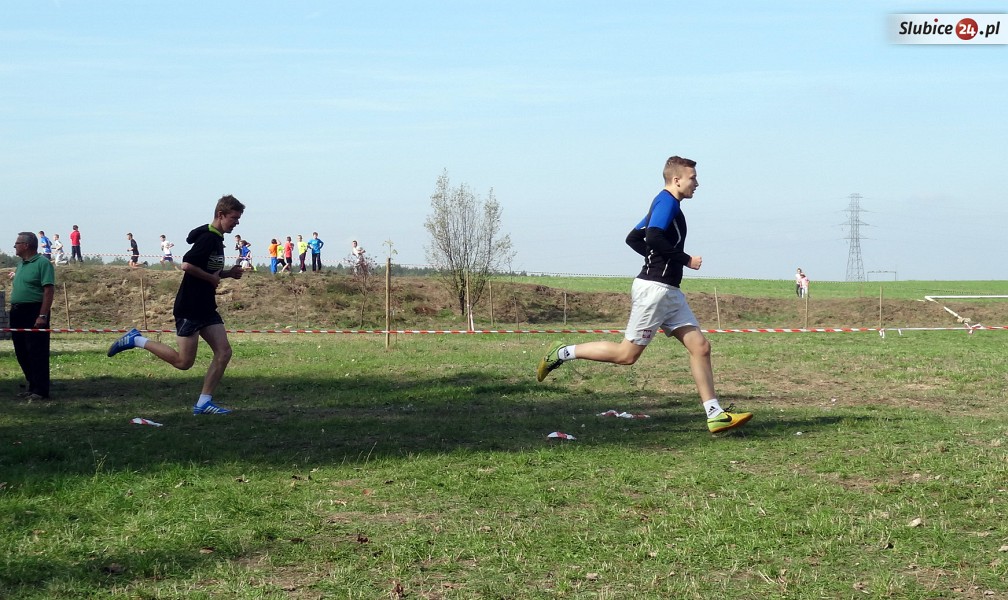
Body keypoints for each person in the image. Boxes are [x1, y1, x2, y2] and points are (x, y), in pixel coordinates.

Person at [535, 156, 752, 434]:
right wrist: (684, 259)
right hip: (655, 291)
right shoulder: (666, 203)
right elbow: (653, 236)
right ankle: (562, 352)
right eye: (693, 178)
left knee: (700, 347)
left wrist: (659, 259)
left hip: (669, 292)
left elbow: (634, 238)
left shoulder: (666, 204)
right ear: (676, 180)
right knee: (626, 355)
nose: (697, 183)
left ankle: (715, 415)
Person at [107, 195, 247, 415]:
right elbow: (187, 265)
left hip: (206, 307)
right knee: (183, 362)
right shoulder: (208, 239)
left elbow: (208, 270)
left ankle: (203, 403)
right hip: (190, 307)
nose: (237, 223)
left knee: (224, 352)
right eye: (234, 218)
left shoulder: (216, 238)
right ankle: (136, 339)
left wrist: (227, 274)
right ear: (221, 215)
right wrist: (211, 279)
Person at [9, 232, 56, 400]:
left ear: (26, 245)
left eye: (17, 243)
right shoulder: (21, 264)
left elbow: (48, 290)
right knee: (21, 351)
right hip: (17, 312)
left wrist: (42, 315)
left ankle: (41, 390)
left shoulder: (43, 263)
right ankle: (32, 385)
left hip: (34, 311)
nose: (14, 246)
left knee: (36, 350)